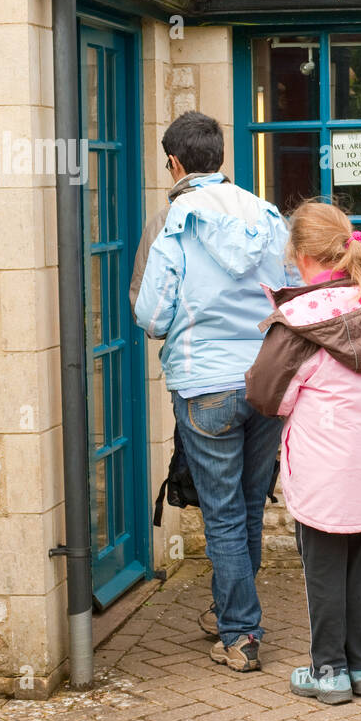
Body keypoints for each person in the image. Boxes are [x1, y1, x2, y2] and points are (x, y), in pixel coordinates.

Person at [130, 111, 296, 673]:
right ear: (220, 157)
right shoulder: (267, 215)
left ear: (174, 163)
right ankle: (236, 616)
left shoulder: (175, 220)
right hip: (265, 379)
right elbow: (287, 295)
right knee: (249, 505)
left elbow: (152, 314)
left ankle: (241, 632)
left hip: (204, 384)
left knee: (222, 514)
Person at [245, 202, 361, 705]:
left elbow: (265, 395)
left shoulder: (298, 323)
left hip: (322, 468)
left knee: (321, 571)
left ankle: (330, 671)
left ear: (301, 256)